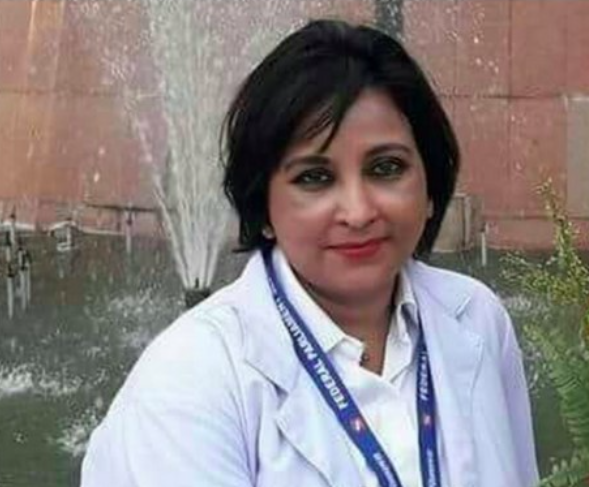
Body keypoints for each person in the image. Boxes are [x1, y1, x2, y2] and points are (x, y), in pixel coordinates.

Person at [81, 19, 539, 487]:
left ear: (430, 186)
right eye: (314, 178)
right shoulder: (191, 379)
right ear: (262, 205)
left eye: (386, 168)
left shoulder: (478, 318)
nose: (358, 212)